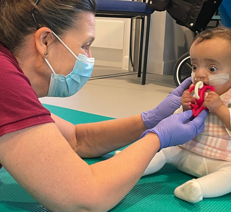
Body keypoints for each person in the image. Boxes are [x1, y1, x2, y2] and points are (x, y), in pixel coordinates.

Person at [0, 0, 208, 211]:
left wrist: (151, 120)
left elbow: (77, 140)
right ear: (45, 41)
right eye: (85, 45)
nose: (89, 58)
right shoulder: (3, 79)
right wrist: (157, 138)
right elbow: (85, 199)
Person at [133, 27, 231, 203]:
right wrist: (185, 107)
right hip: (187, 151)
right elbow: (181, 124)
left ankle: (198, 188)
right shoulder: (192, 91)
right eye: (194, 66)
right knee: (163, 150)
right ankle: (132, 167)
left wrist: (219, 107)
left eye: (212, 68)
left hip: (224, 158)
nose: (199, 74)